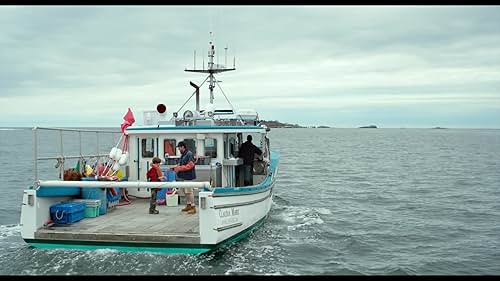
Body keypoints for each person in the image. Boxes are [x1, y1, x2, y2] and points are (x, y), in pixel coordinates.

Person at [172, 141, 197, 214]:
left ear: (183, 147)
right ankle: (188, 205)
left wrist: (179, 168)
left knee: (189, 191)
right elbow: (181, 163)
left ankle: (193, 207)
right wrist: (175, 167)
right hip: (183, 176)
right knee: (185, 191)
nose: (178, 149)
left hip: (188, 176)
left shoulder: (189, 154)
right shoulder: (183, 154)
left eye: (179, 148)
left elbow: (191, 165)